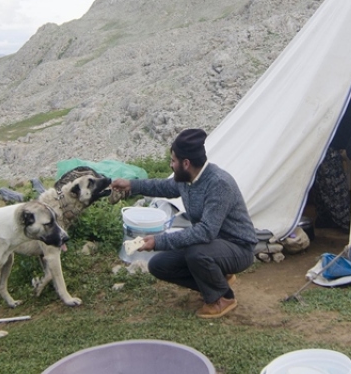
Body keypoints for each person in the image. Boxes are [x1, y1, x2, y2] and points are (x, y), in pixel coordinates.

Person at [110, 128, 257, 319]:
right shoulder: (186, 179)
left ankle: (223, 298)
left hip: (238, 248)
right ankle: (218, 281)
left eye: (173, 161)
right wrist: (131, 185)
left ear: (186, 163)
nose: (171, 165)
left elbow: (205, 232)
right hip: (212, 246)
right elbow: (162, 186)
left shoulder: (219, 184)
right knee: (159, 265)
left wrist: (158, 241)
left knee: (197, 253)